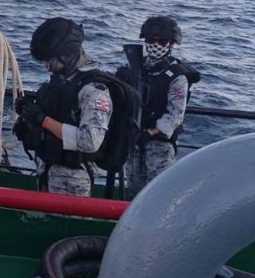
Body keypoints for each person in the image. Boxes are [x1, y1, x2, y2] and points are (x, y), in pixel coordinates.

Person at [17, 18, 113, 197]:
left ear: (67, 56)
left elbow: (89, 141)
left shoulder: (93, 90)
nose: (46, 65)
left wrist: (43, 120)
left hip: (73, 179)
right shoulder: (62, 83)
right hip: (47, 170)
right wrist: (29, 117)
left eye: (49, 60)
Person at [123, 16, 198, 196]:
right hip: (134, 143)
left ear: (171, 44)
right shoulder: (136, 69)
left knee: (158, 195)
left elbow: (175, 115)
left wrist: (150, 132)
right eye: (151, 40)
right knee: (133, 194)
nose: (155, 45)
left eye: (162, 41)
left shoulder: (177, 76)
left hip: (159, 147)